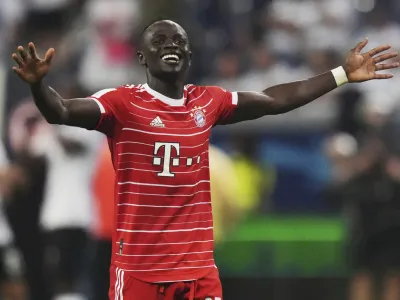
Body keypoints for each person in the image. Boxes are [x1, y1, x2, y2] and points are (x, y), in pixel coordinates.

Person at [11, 19, 399, 300]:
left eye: (178, 40)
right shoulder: (121, 102)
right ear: (143, 56)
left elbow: (275, 100)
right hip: (142, 273)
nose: (171, 44)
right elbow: (60, 112)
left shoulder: (207, 101)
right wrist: (38, 86)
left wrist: (340, 74)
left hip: (198, 273)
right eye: (160, 39)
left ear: (190, 54)